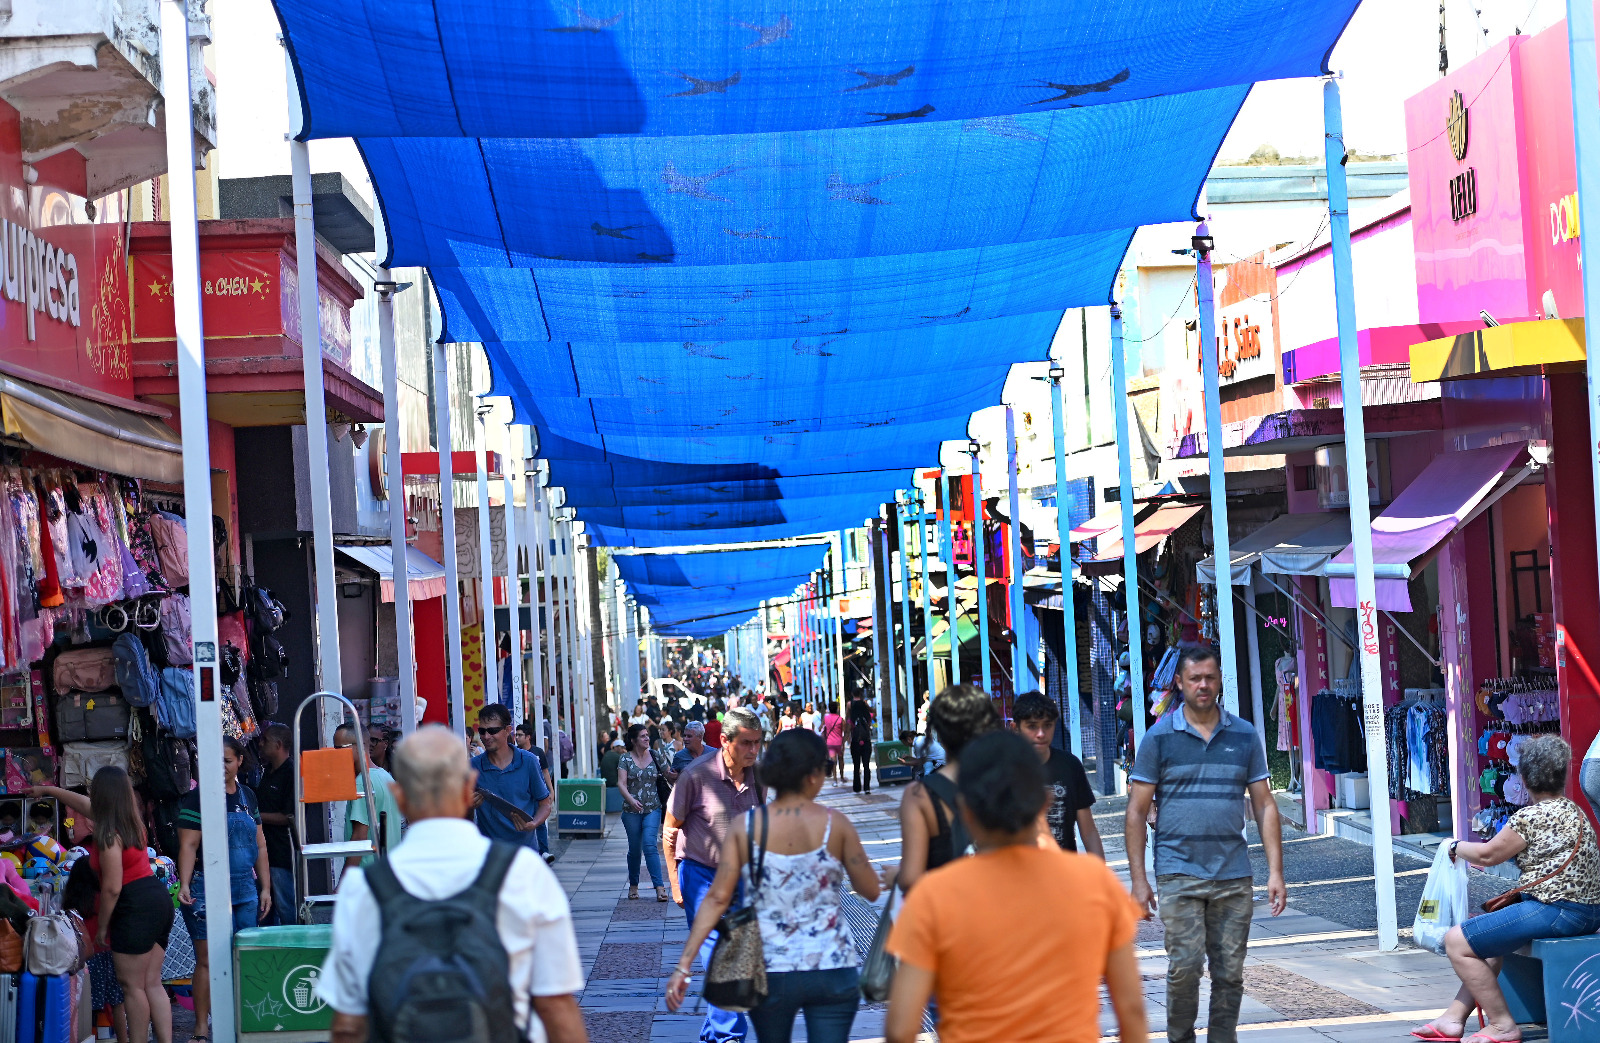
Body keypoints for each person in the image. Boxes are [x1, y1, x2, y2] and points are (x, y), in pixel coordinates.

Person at [318, 726, 587, 1043]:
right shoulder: (523, 873)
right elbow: (556, 1007)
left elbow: (349, 1027)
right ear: (469, 786)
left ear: (400, 797)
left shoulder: (363, 889)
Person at [884, 730, 1147, 1043]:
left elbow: (901, 1029)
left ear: (965, 810)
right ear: (1045, 801)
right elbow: (1131, 1009)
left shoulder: (933, 897)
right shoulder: (1095, 882)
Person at [666, 730, 881, 1043]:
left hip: (770, 972)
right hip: (832, 967)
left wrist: (684, 965)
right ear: (814, 774)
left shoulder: (746, 827)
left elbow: (715, 900)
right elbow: (871, 891)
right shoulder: (837, 826)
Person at [1126, 646, 1286, 1043]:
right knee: (1184, 966)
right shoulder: (1158, 739)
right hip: (1178, 871)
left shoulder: (1244, 735)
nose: (1202, 685)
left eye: (1209, 678)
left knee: (1229, 972)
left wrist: (1276, 871)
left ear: (1219, 681)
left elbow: (1265, 805)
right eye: (1194, 678)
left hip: (1233, 873)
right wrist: (1139, 880)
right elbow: (1135, 811)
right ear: (1178, 683)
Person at [1415, 735, 1600, 1043]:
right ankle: (1453, 1018)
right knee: (1487, 938)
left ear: (1524, 779)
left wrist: (1455, 846)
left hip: (1557, 911)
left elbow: (1489, 855)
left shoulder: (1530, 816)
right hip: (1588, 911)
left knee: (1456, 942)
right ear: (1562, 777)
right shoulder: (1574, 812)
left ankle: (1502, 1025)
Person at [33, 770, 174, 1043]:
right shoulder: (131, 821)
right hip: (158, 900)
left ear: (100, 795)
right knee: (152, 983)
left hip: (134, 906)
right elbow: (82, 804)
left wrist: (103, 928)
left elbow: (111, 888)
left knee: (132, 987)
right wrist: (47, 791)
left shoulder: (108, 835)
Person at [662, 707, 765, 1043]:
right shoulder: (696, 775)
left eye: (757, 743)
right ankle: (728, 1035)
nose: (753, 751)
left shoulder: (758, 776)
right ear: (724, 741)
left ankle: (713, 1031)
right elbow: (669, 830)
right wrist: (675, 883)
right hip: (701, 877)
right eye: (746, 743)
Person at [178, 736, 271, 1043]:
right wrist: (185, 883)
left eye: (227, 761)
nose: (220, 768)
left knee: (244, 956)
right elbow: (189, 845)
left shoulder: (249, 796)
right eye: (213, 762)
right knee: (207, 959)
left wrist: (266, 887)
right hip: (206, 886)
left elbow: (260, 843)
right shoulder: (197, 799)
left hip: (246, 887)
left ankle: (246, 1021)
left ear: (240, 762)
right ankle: (202, 1029)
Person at [895, 685, 998, 893]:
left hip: (948, 906)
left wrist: (893, 877)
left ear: (941, 732)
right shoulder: (1008, 780)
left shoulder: (918, 795)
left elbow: (910, 877)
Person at [1012, 692, 1104, 858]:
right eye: (1032, 726)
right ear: (1015, 728)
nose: (1041, 733)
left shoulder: (1070, 766)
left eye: (1047, 725)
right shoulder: (1002, 769)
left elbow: (1088, 830)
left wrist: (1100, 877)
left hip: (1062, 875)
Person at [471, 704, 555, 852]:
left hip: (525, 853)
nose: (486, 736)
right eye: (482, 731)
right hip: (489, 855)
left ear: (508, 731)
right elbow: (462, 815)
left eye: (492, 731)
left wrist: (534, 823)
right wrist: (468, 805)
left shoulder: (528, 761)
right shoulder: (473, 766)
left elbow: (545, 804)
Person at [334, 722, 406, 867]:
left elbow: (359, 838)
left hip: (367, 877)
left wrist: (343, 883)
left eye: (338, 749)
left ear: (357, 747)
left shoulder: (362, 783)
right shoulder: (385, 777)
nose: (335, 754)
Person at [617, 723, 670, 902]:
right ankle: (633, 885)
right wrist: (631, 800)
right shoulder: (625, 759)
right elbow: (621, 784)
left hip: (652, 808)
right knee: (634, 850)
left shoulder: (656, 755)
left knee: (650, 845)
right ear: (633, 740)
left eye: (647, 735)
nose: (647, 738)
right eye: (643, 736)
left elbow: (670, 774)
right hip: (630, 811)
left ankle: (660, 887)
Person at [253, 723, 298, 925]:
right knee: (266, 909)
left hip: (282, 854)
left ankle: (295, 952)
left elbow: (290, 816)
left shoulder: (291, 772)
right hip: (264, 854)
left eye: (265, 740)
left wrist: (256, 817)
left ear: (278, 744)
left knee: (287, 907)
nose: (260, 744)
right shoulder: (268, 771)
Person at [515, 721, 559, 864]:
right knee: (524, 823)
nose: (517, 737)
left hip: (538, 794)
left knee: (540, 823)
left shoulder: (538, 752)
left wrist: (551, 791)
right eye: (516, 735)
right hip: (523, 795)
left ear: (528, 737)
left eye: (520, 735)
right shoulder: (514, 753)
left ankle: (544, 851)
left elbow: (546, 773)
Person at [848, 692, 875, 793]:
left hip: (855, 742)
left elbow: (848, 730)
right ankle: (867, 788)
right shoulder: (867, 718)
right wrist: (867, 706)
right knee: (866, 765)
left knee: (856, 765)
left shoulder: (852, 720)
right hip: (866, 742)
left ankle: (857, 787)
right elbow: (874, 712)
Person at [821, 703, 846, 781]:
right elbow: (844, 731)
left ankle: (835, 779)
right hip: (839, 742)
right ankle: (842, 777)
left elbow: (820, 728)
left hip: (830, 742)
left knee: (833, 761)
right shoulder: (841, 719)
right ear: (837, 709)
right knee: (841, 759)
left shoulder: (826, 718)